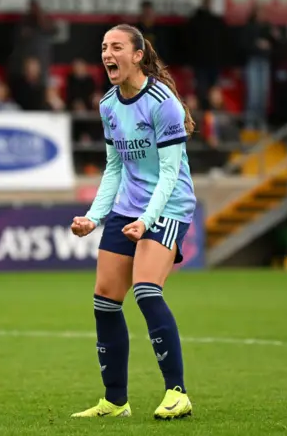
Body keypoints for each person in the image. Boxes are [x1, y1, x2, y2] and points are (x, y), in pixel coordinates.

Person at [70, 24, 195, 420]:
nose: (108, 53)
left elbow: (171, 173)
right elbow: (113, 168)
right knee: (104, 300)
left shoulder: (163, 103)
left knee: (145, 290)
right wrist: (94, 217)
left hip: (168, 207)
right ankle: (115, 401)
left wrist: (147, 220)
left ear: (138, 55)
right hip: (128, 207)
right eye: (104, 47)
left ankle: (177, 393)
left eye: (117, 47)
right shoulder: (108, 104)